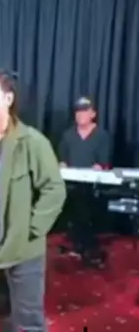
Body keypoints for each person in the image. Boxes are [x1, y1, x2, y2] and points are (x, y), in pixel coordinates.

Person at [0, 67, 66, 332]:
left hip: (23, 248)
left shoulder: (31, 141)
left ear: (8, 99)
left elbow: (54, 189)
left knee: (30, 321)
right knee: (2, 312)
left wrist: (32, 229)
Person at [58, 97, 111, 266]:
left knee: (84, 204)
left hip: (93, 185)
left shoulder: (101, 135)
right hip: (71, 183)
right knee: (75, 200)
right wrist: (62, 165)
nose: (80, 114)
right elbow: (62, 159)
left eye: (84, 111)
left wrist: (99, 167)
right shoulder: (68, 135)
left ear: (93, 114)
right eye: (78, 111)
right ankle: (81, 245)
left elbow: (104, 162)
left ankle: (85, 246)